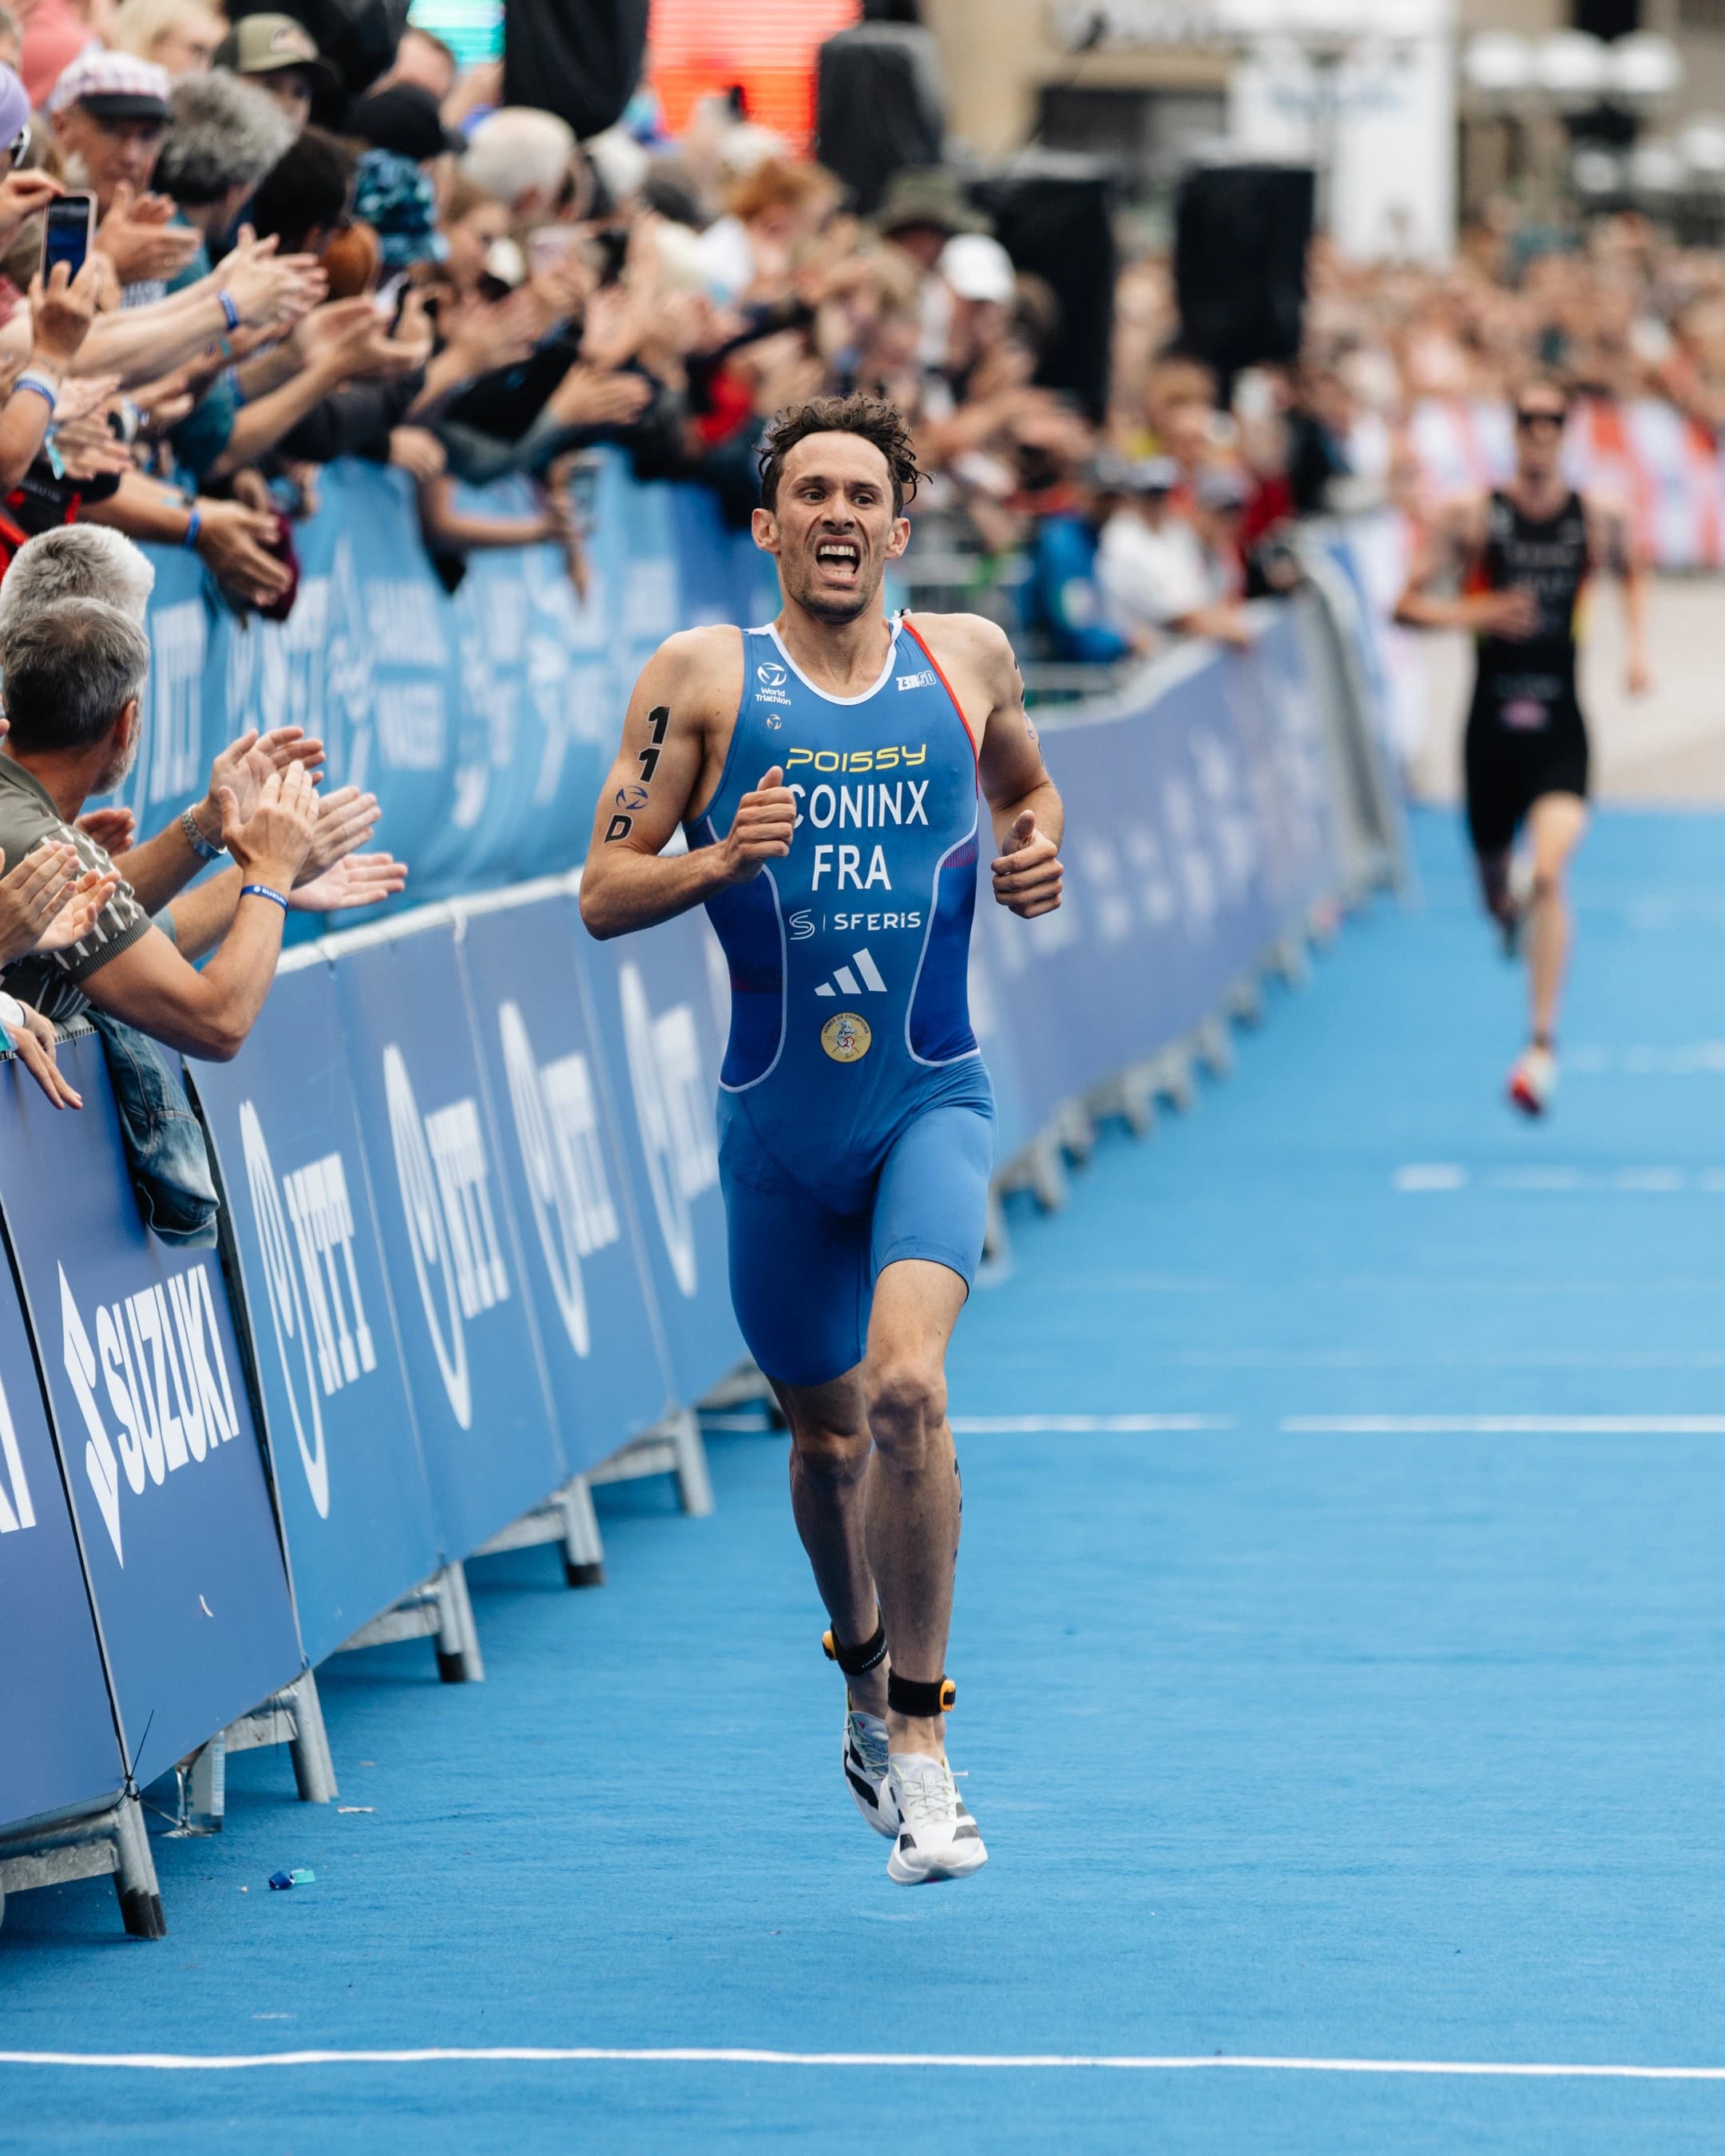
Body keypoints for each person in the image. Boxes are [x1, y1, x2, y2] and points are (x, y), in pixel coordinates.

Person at [581, 391, 1065, 1885]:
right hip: (779, 1132)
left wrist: (1039, 844)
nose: (841, 515)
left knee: (910, 1392)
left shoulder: (964, 657)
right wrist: (720, 854)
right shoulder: (704, 676)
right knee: (826, 1439)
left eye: (867, 496)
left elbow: (1028, 790)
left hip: (930, 1094)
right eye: (814, 494)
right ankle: (858, 1674)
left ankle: (923, 1740)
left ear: (902, 530)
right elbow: (603, 886)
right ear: (769, 524)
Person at [1396, 375, 1650, 1115]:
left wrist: (1637, 649)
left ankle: (1540, 1043)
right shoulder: (1474, 518)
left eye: (1552, 420)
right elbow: (1404, 605)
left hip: (1561, 726)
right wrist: (1476, 611)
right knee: (1496, 891)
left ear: (1566, 430)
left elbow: (1634, 571)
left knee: (1548, 872)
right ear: (1512, 430)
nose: (1539, 431)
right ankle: (1509, 922)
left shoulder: (1598, 516)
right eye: (1527, 420)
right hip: (1489, 729)